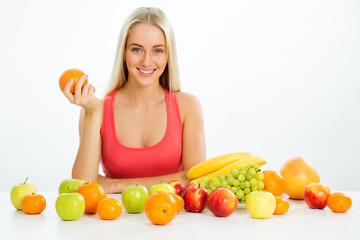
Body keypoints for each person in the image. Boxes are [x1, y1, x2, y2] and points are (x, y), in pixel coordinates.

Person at [62, 7, 206, 193]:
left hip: (172, 217)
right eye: (137, 49)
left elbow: (194, 178)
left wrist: (115, 185)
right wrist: (92, 112)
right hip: (114, 218)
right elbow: (81, 186)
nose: (146, 61)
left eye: (157, 51)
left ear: (168, 56)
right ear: (123, 52)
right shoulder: (96, 110)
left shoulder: (188, 106)